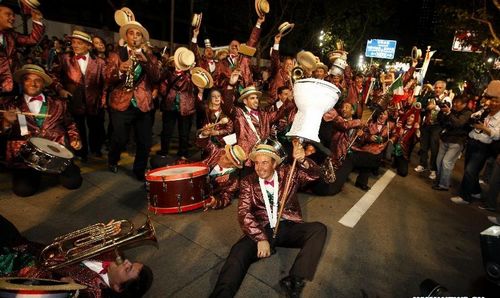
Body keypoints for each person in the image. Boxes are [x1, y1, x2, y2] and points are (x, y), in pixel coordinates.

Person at [210, 141, 326, 298]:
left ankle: (294, 280)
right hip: (262, 227)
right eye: (257, 163)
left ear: (274, 164)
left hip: (287, 225)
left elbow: (316, 174)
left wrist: (302, 160)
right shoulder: (248, 181)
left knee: (318, 229)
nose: (259, 167)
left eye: (264, 162)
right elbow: (244, 212)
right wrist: (260, 237)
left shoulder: (289, 173)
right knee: (238, 252)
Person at [0, 214, 153, 298]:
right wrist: (102, 234)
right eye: (131, 263)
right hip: (24, 246)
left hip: (13, 270)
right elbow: (75, 244)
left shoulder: (90, 294)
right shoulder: (114, 253)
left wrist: (65, 290)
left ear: (118, 287)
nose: (126, 261)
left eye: (128, 269)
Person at [1, 64, 82, 197]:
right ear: (22, 82)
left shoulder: (59, 103)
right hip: (26, 158)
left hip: (56, 154)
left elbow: (70, 124)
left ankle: (62, 170)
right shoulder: (11, 105)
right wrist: (6, 123)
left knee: (74, 183)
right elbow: (3, 133)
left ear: (44, 84)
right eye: (28, 79)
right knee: (23, 191)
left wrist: (75, 139)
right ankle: (36, 174)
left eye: (37, 80)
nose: (33, 84)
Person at [104, 20, 160, 180]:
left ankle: (139, 170)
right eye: (131, 33)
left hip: (143, 103)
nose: (135, 37)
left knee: (144, 141)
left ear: (142, 38)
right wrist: (119, 71)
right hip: (121, 102)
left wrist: (145, 60)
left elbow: (156, 76)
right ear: (126, 36)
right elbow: (107, 78)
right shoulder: (116, 55)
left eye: (138, 34)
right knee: (120, 138)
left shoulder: (149, 56)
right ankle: (113, 159)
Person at [221, 70, 294, 169]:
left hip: (264, 157)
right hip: (247, 159)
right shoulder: (239, 114)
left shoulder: (264, 114)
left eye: (256, 98)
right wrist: (230, 85)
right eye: (252, 98)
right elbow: (227, 105)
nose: (256, 100)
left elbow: (279, 113)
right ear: (245, 101)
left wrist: (290, 100)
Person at [54, 30, 107, 161]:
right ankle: (81, 152)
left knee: (96, 128)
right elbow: (53, 76)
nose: (75, 45)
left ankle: (96, 149)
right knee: (77, 128)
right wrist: (60, 89)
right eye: (73, 42)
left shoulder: (100, 62)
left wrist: (103, 99)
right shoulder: (64, 58)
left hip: (94, 102)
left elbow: (105, 83)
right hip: (73, 101)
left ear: (89, 46)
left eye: (79, 43)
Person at [451, 80, 500, 205]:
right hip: (472, 142)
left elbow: (497, 135)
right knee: (471, 171)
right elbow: (473, 117)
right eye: (492, 100)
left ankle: (465, 197)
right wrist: (478, 117)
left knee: (470, 171)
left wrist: (484, 128)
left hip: (483, 147)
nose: (493, 103)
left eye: (496, 101)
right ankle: (476, 191)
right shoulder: (485, 111)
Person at [311, 102, 363, 195]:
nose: (343, 109)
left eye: (347, 107)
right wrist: (359, 122)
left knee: (336, 183)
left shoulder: (356, 127)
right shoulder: (337, 120)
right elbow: (345, 125)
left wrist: (360, 136)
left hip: (346, 158)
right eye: (342, 107)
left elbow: (359, 142)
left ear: (352, 111)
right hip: (333, 156)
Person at [158, 47, 198, 159]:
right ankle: (164, 151)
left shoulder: (190, 75)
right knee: (166, 131)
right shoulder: (168, 72)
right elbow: (162, 84)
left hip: (186, 106)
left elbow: (194, 88)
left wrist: (191, 72)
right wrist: (167, 94)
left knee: (184, 132)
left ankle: (183, 153)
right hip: (170, 105)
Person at [0, 4, 44, 94]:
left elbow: (32, 39)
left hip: (13, 87)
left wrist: (37, 20)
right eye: (8, 14)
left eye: (13, 15)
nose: (13, 18)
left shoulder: (12, 35)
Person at [213, 15, 265, 89]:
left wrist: (258, 23)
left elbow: (252, 41)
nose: (234, 46)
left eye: (236, 45)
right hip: (229, 94)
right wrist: (230, 82)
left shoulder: (245, 57)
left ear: (240, 48)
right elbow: (216, 81)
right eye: (232, 45)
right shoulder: (221, 63)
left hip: (245, 92)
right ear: (228, 48)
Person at [196, 135, 246, 209]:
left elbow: (226, 198)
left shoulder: (233, 180)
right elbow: (205, 143)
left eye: (226, 158)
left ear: (232, 165)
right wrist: (204, 135)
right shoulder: (219, 152)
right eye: (225, 154)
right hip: (194, 173)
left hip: (201, 195)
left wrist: (215, 202)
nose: (222, 156)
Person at [433, 95, 471, 191]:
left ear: (464, 104)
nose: (454, 104)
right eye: (454, 102)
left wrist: (449, 113)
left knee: (446, 162)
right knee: (439, 161)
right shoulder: (452, 110)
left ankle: (444, 185)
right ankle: (440, 180)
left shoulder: (467, 113)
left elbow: (458, 123)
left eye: (457, 102)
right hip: (445, 138)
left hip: (457, 141)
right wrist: (443, 112)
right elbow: (441, 122)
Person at [415, 80, 451, 180]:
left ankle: (433, 169)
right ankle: (422, 164)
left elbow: (446, 108)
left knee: (434, 148)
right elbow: (421, 105)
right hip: (426, 124)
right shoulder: (430, 97)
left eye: (440, 88)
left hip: (437, 126)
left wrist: (435, 106)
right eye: (436, 87)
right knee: (423, 146)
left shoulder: (447, 98)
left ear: (444, 89)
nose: (437, 89)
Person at [268, 33, 293, 102]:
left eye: (291, 64)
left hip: (288, 104)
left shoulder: (294, 76)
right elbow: (275, 60)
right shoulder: (278, 70)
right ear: (283, 65)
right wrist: (276, 42)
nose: (288, 65)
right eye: (287, 64)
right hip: (275, 102)